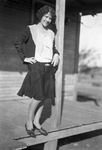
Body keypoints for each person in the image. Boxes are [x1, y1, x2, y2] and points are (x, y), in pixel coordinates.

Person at [15, 5, 60, 137]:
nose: (47, 20)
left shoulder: (51, 33)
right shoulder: (31, 29)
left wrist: (56, 54)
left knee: (45, 96)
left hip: (49, 68)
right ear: (41, 16)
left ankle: (37, 122)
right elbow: (18, 42)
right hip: (36, 66)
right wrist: (25, 58)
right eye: (46, 16)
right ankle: (29, 122)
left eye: (50, 18)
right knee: (38, 96)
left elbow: (53, 48)